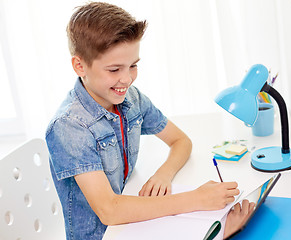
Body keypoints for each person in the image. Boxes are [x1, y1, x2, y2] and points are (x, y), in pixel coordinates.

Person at [45, 2, 253, 239]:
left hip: (135, 221)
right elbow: (109, 211)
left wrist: (163, 174)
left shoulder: (130, 99)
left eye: (133, 65)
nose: (127, 79)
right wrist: (196, 199)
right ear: (80, 66)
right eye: (114, 70)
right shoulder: (69, 126)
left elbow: (180, 140)